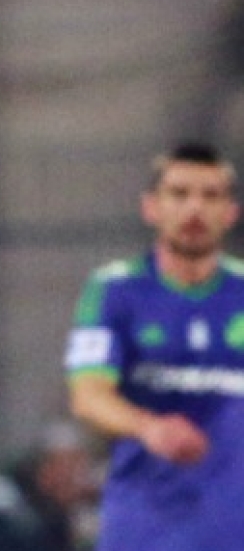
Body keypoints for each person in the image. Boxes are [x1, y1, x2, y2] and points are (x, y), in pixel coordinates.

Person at [64, 141, 244, 551]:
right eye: (179, 194)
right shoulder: (115, 290)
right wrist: (149, 427)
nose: (195, 208)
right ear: (151, 207)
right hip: (144, 530)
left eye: (210, 195)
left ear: (231, 212)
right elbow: (88, 396)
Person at [0, 421, 96, 551]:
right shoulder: (1, 508)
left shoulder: (56, 509)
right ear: (47, 466)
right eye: (68, 468)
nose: (76, 479)